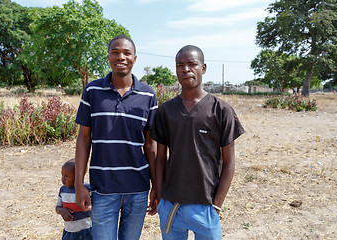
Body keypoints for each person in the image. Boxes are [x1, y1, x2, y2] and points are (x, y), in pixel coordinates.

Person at [151, 45, 245, 239]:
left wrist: (217, 204)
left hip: (206, 206)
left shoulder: (221, 110)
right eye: (180, 65)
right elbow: (160, 158)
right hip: (171, 205)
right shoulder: (165, 111)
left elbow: (229, 162)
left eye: (192, 64)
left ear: (203, 68)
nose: (186, 69)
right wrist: (160, 195)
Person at [74, 35, 158, 239]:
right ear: (109, 57)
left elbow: (150, 144)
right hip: (103, 188)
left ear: (135, 58)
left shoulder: (148, 95)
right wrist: (79, 184)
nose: (121, 57)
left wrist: (156, 185)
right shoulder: (92, 90)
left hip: (137, 188)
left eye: (126, 53)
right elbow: (84, 139)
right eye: (115, 52)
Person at [56, 159, 92, 240]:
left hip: (86, 231)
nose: (63, 178)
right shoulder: (63, 190)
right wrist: (61, 210)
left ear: (78, 176)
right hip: (69, 231)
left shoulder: (87, 189)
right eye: (62, 174)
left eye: (67, 176)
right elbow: (57, 207)